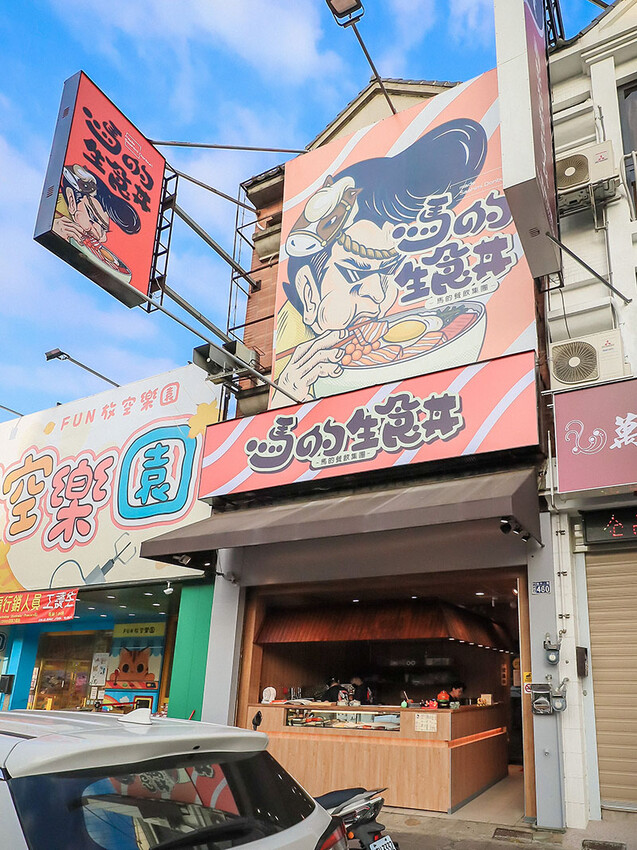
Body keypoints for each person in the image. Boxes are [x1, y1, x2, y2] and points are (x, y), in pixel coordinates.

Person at [270, 118, 488, 407]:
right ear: (309, 292)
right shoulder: (291, 361)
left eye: (388, 272)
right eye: (353, 274)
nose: (377, 294)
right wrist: (286, 399)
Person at [52, 163, 140, 247]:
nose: (97, 234)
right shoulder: (50, 210)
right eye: (92, 218)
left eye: (103, 229)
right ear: (72, 201)